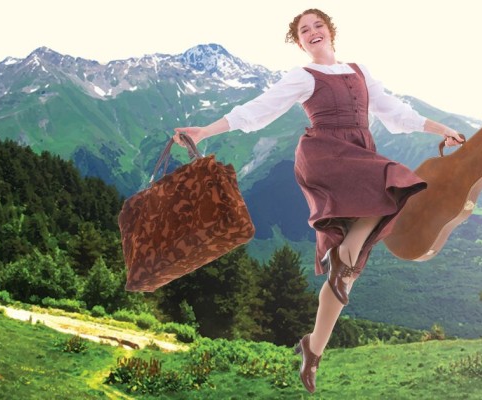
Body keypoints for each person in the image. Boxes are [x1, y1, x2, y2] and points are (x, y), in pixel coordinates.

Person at [173, 8, 464, 393]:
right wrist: (205, 131)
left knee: (350, 268)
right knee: (394, 182)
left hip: (359, 151)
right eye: (303, 30)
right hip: (326, 155)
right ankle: (346, 257)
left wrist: (443, 129)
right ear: (298, 42)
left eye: (317, 26)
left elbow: (396, 114)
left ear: (331, 31)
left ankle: (313, 348)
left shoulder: (359, 72)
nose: (312, 32)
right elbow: (258, 111)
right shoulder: (302, 76)